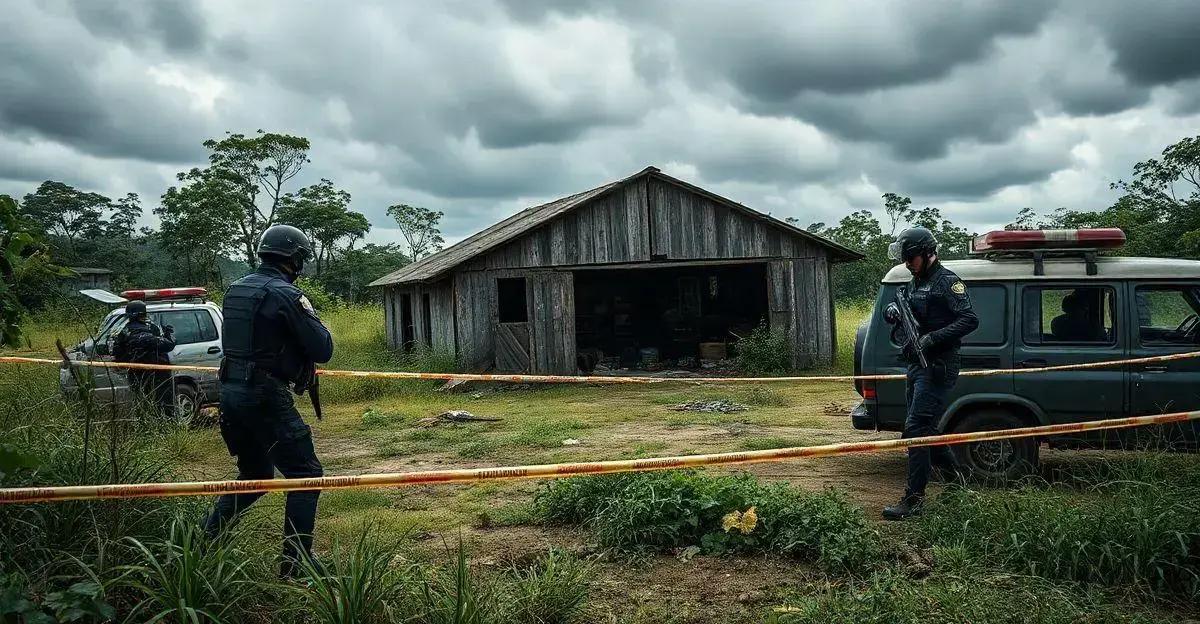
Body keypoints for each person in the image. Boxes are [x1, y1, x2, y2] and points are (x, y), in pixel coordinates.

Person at [202, 224, 333, 578]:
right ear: (295, 259)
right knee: (306, 474)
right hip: (263, 394)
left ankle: (201, 544)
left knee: (255, 474)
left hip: (230, 390)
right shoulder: (286, 295)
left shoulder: (236, 290)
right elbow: (323, 348)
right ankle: (296, 565)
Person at [881, 227, 979, 520]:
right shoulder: (915, 281)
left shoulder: (947, 282)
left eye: (911, 258)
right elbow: (908, 312)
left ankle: (914, 499)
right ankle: (959, 485)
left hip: (937, 365)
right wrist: (893, 312)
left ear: (927, 254)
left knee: (916, 431)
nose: (908, 264)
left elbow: (969, 319)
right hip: (915, 364)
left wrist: (933, 338)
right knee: (926, 429)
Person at [111, 300, 176, 418]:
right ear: (141, 315)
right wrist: (168, 333)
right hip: (156, 375)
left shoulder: (123, 333)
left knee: (141, 403)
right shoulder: (144, 334)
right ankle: (165, 427)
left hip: (136, 375)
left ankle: (146, 424)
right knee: (163, 404)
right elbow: (168, 345)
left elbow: (117, 354)